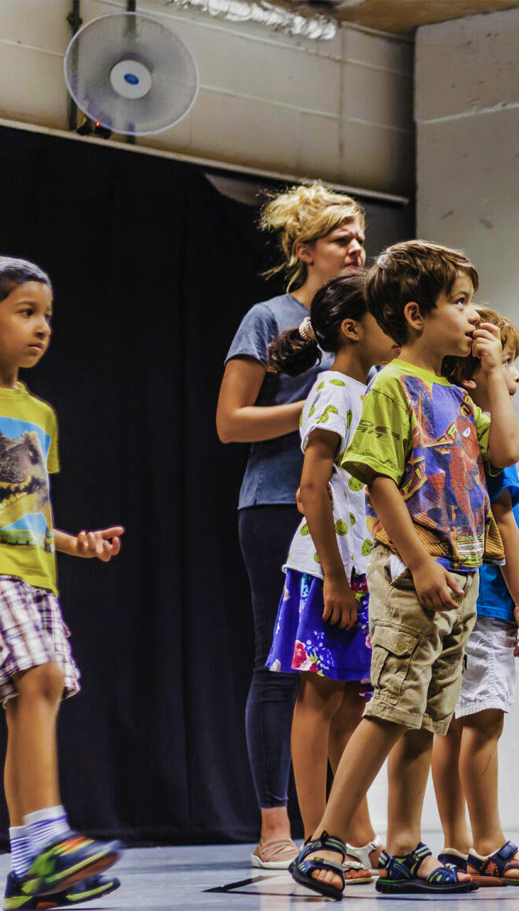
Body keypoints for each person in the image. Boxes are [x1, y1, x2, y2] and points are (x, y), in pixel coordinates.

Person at [286, 239, 519, 898]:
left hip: (461, 573)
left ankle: (402, 845)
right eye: (461, 303)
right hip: (411, 571)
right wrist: (418, 564)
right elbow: (379, 481)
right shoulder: (391, 386)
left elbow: (504, 449)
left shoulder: (455, 392)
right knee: (390, 705)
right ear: (417, 314)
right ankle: (326, 838)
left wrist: (494, 372)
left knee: (426, 719)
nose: (474, 316)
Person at [0, 256, 125, 911]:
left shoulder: (38, 411)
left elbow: (26, 503)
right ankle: (50, 836)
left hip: (35, 572)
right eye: (25, 313)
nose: (42, 328)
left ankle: (27, 870)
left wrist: (76, 544)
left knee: (32, 699)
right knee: (38, 678)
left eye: (46, 316)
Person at [216, 181, 365, 871]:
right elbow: (230, 422)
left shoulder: (365, 327)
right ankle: (275, 823)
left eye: (361, 235)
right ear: (305, 251)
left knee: (345, 674)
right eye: (342, 237)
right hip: (278, 502)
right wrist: (314, 409)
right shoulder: (268, 317)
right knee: (280, 667)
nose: (357, 246)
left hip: (349, 515)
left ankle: (344, 824)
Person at [261, 271, 398, 884]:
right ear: (352, 328)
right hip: (325, 571)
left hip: (352, 570)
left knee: (349, 702)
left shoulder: (362, 392)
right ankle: (318, 833)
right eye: (387, 318)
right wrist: (337, 578)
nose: (398, 329)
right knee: (318, 699)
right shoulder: (335, 391)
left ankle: (352, 831)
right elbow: (311, 489)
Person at [430, 308, 519, 887]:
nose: (514, 378)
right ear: (476, 373)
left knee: (451, 723)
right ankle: (487, 842)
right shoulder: (488, 434)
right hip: (487, 602)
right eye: (507, 364)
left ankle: (459, 839)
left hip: (461, 595)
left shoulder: (451, 429)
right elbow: (508, 530)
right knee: (484, 720)